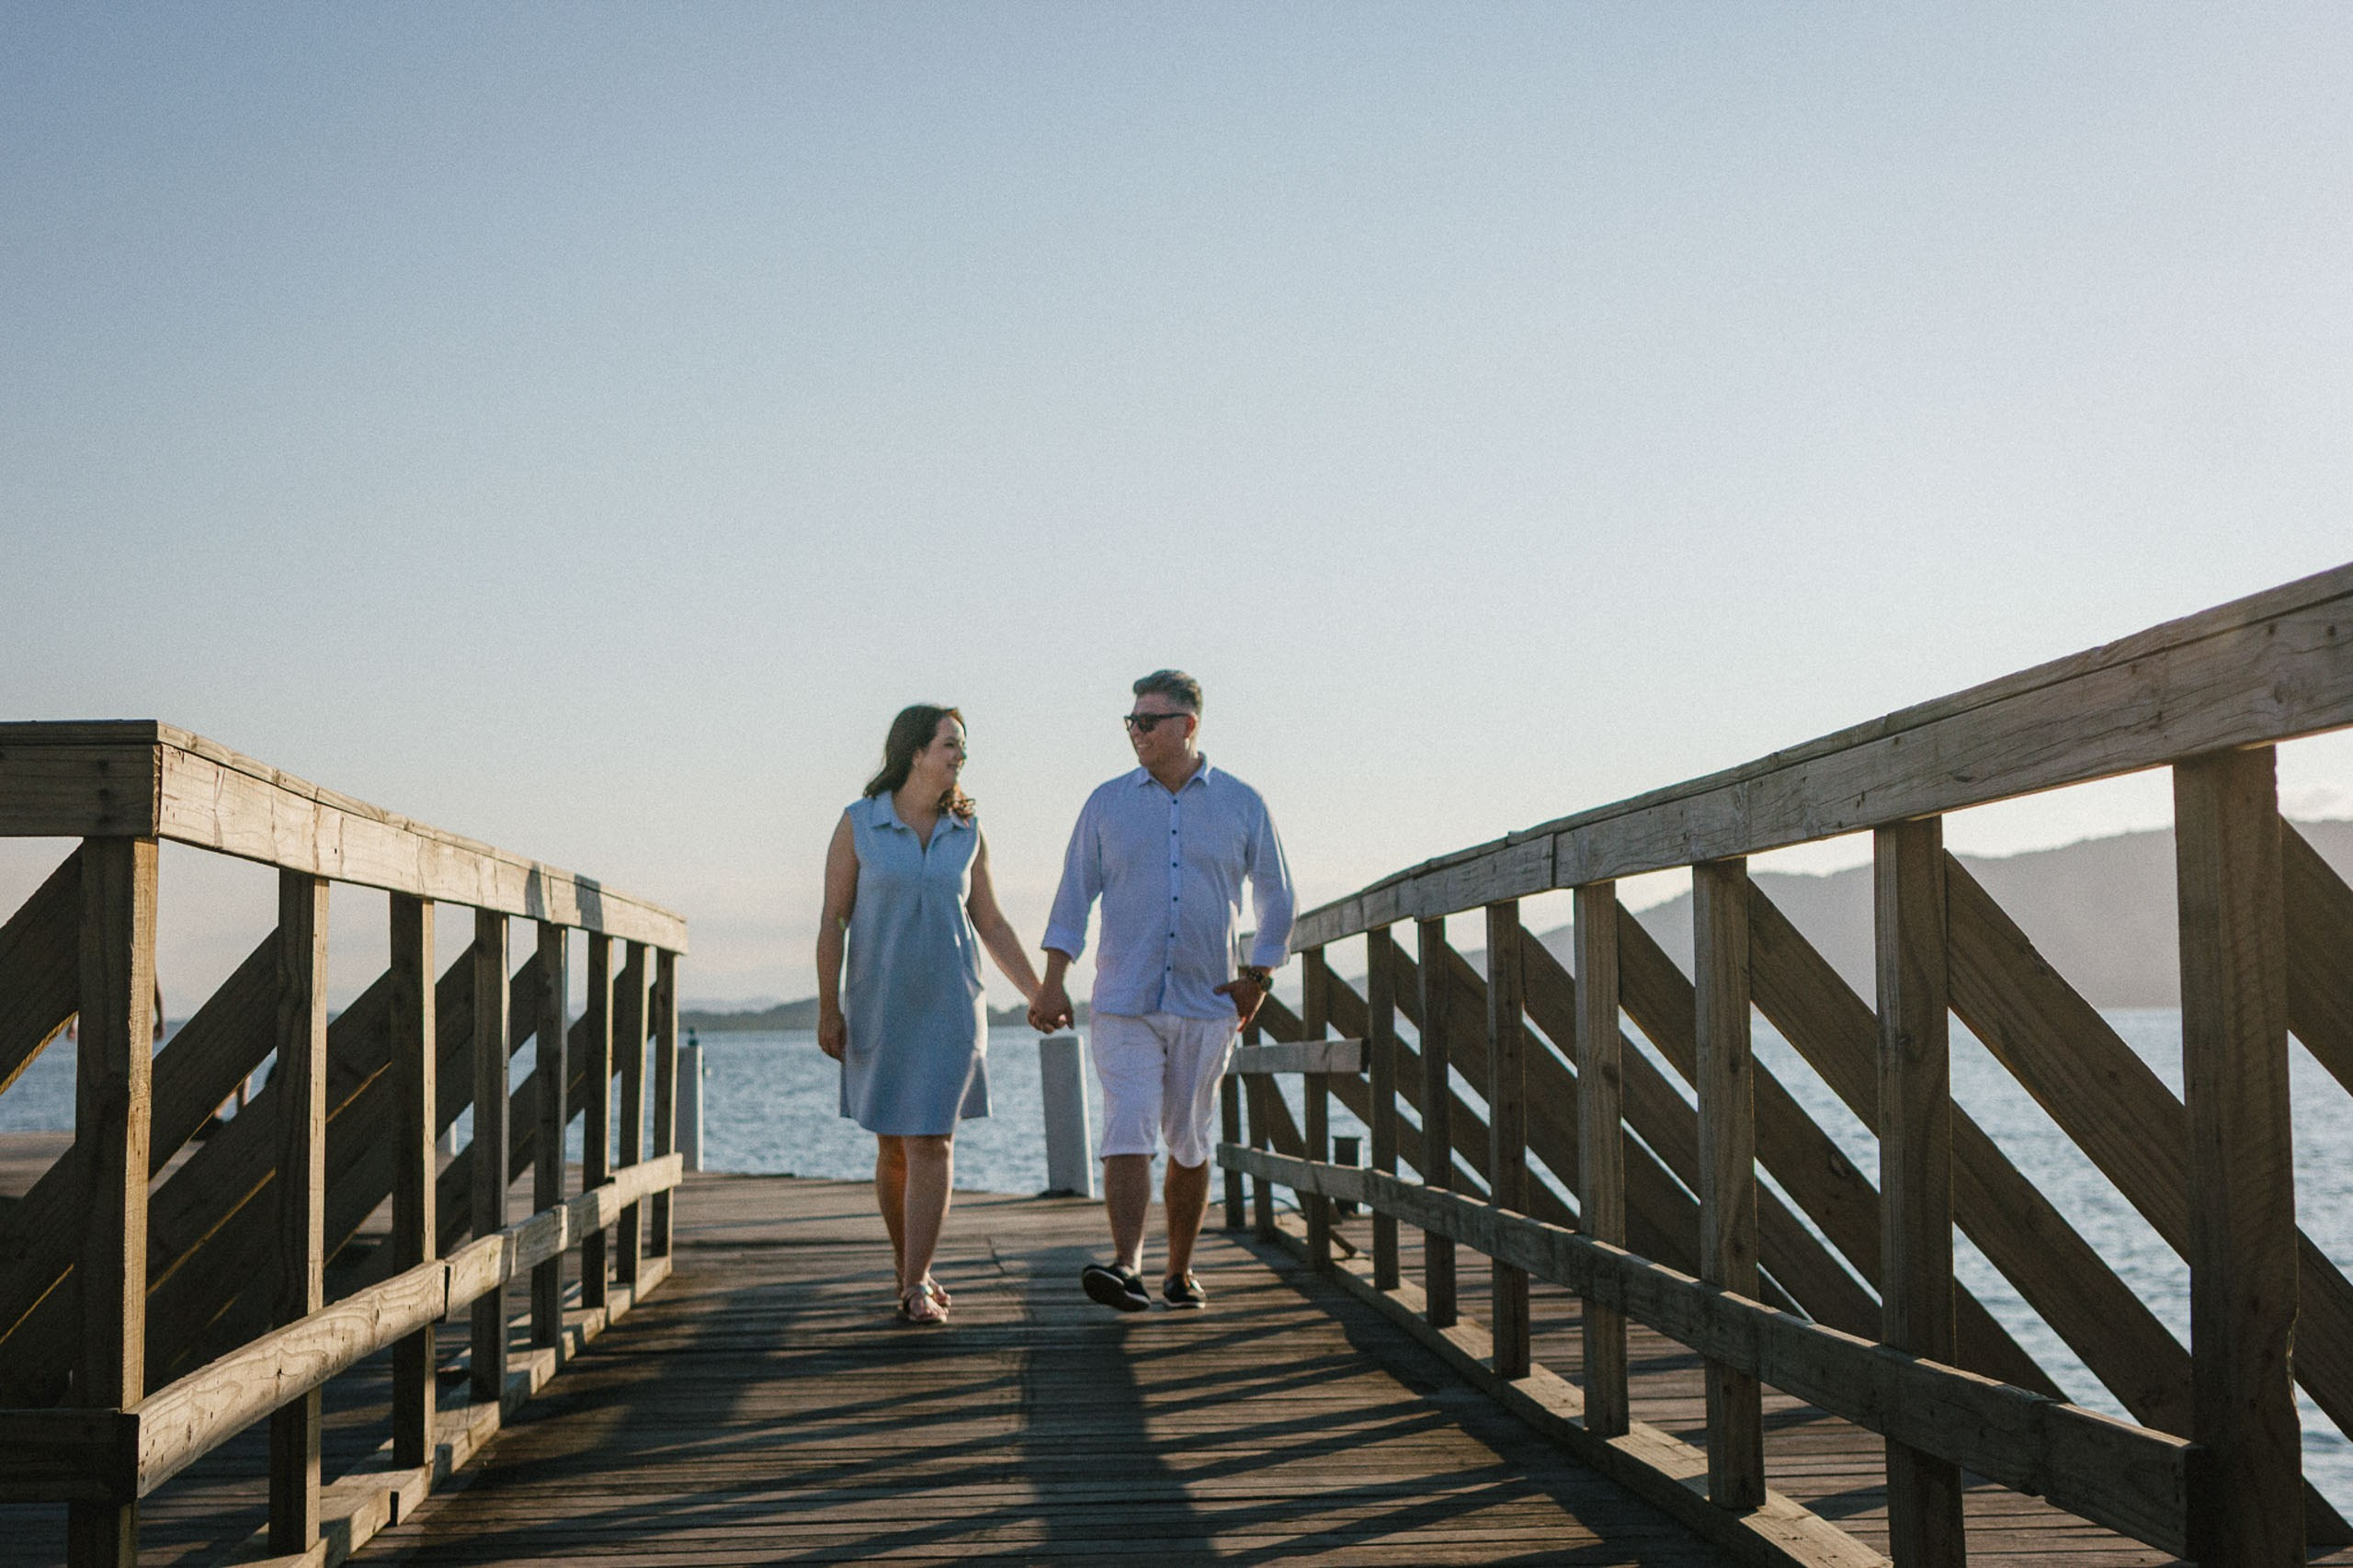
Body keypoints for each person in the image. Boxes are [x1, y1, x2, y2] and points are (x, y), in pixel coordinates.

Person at [1029, 670, 1295, 1312]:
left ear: (1188, 725)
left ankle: (1179, 1270)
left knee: (1189, 1137)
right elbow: (1072, 898)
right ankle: (1127, 1267)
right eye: (1131, 721)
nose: (1136, 732)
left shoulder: (1242, 803)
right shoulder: (1107, 804)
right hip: (1124, 999)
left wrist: (1258, 978)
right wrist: (1053, 984)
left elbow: (1278, 897)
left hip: (1207, 1002)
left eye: (1148, 721)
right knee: (1127, 1125)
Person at [819, 705, 1045, 1325]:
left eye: (961, 747)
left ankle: (916, 1280)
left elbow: (991, 922)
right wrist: (827, 1007)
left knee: (932, 1141)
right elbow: (833, 922)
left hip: (952, 1009)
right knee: (894, 1146)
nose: (960, 756)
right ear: (915, 752)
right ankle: (907, 1270)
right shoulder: (859, 824)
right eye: (950, 745)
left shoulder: (967, 830)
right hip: (881, 1007)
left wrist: (1037, 992)